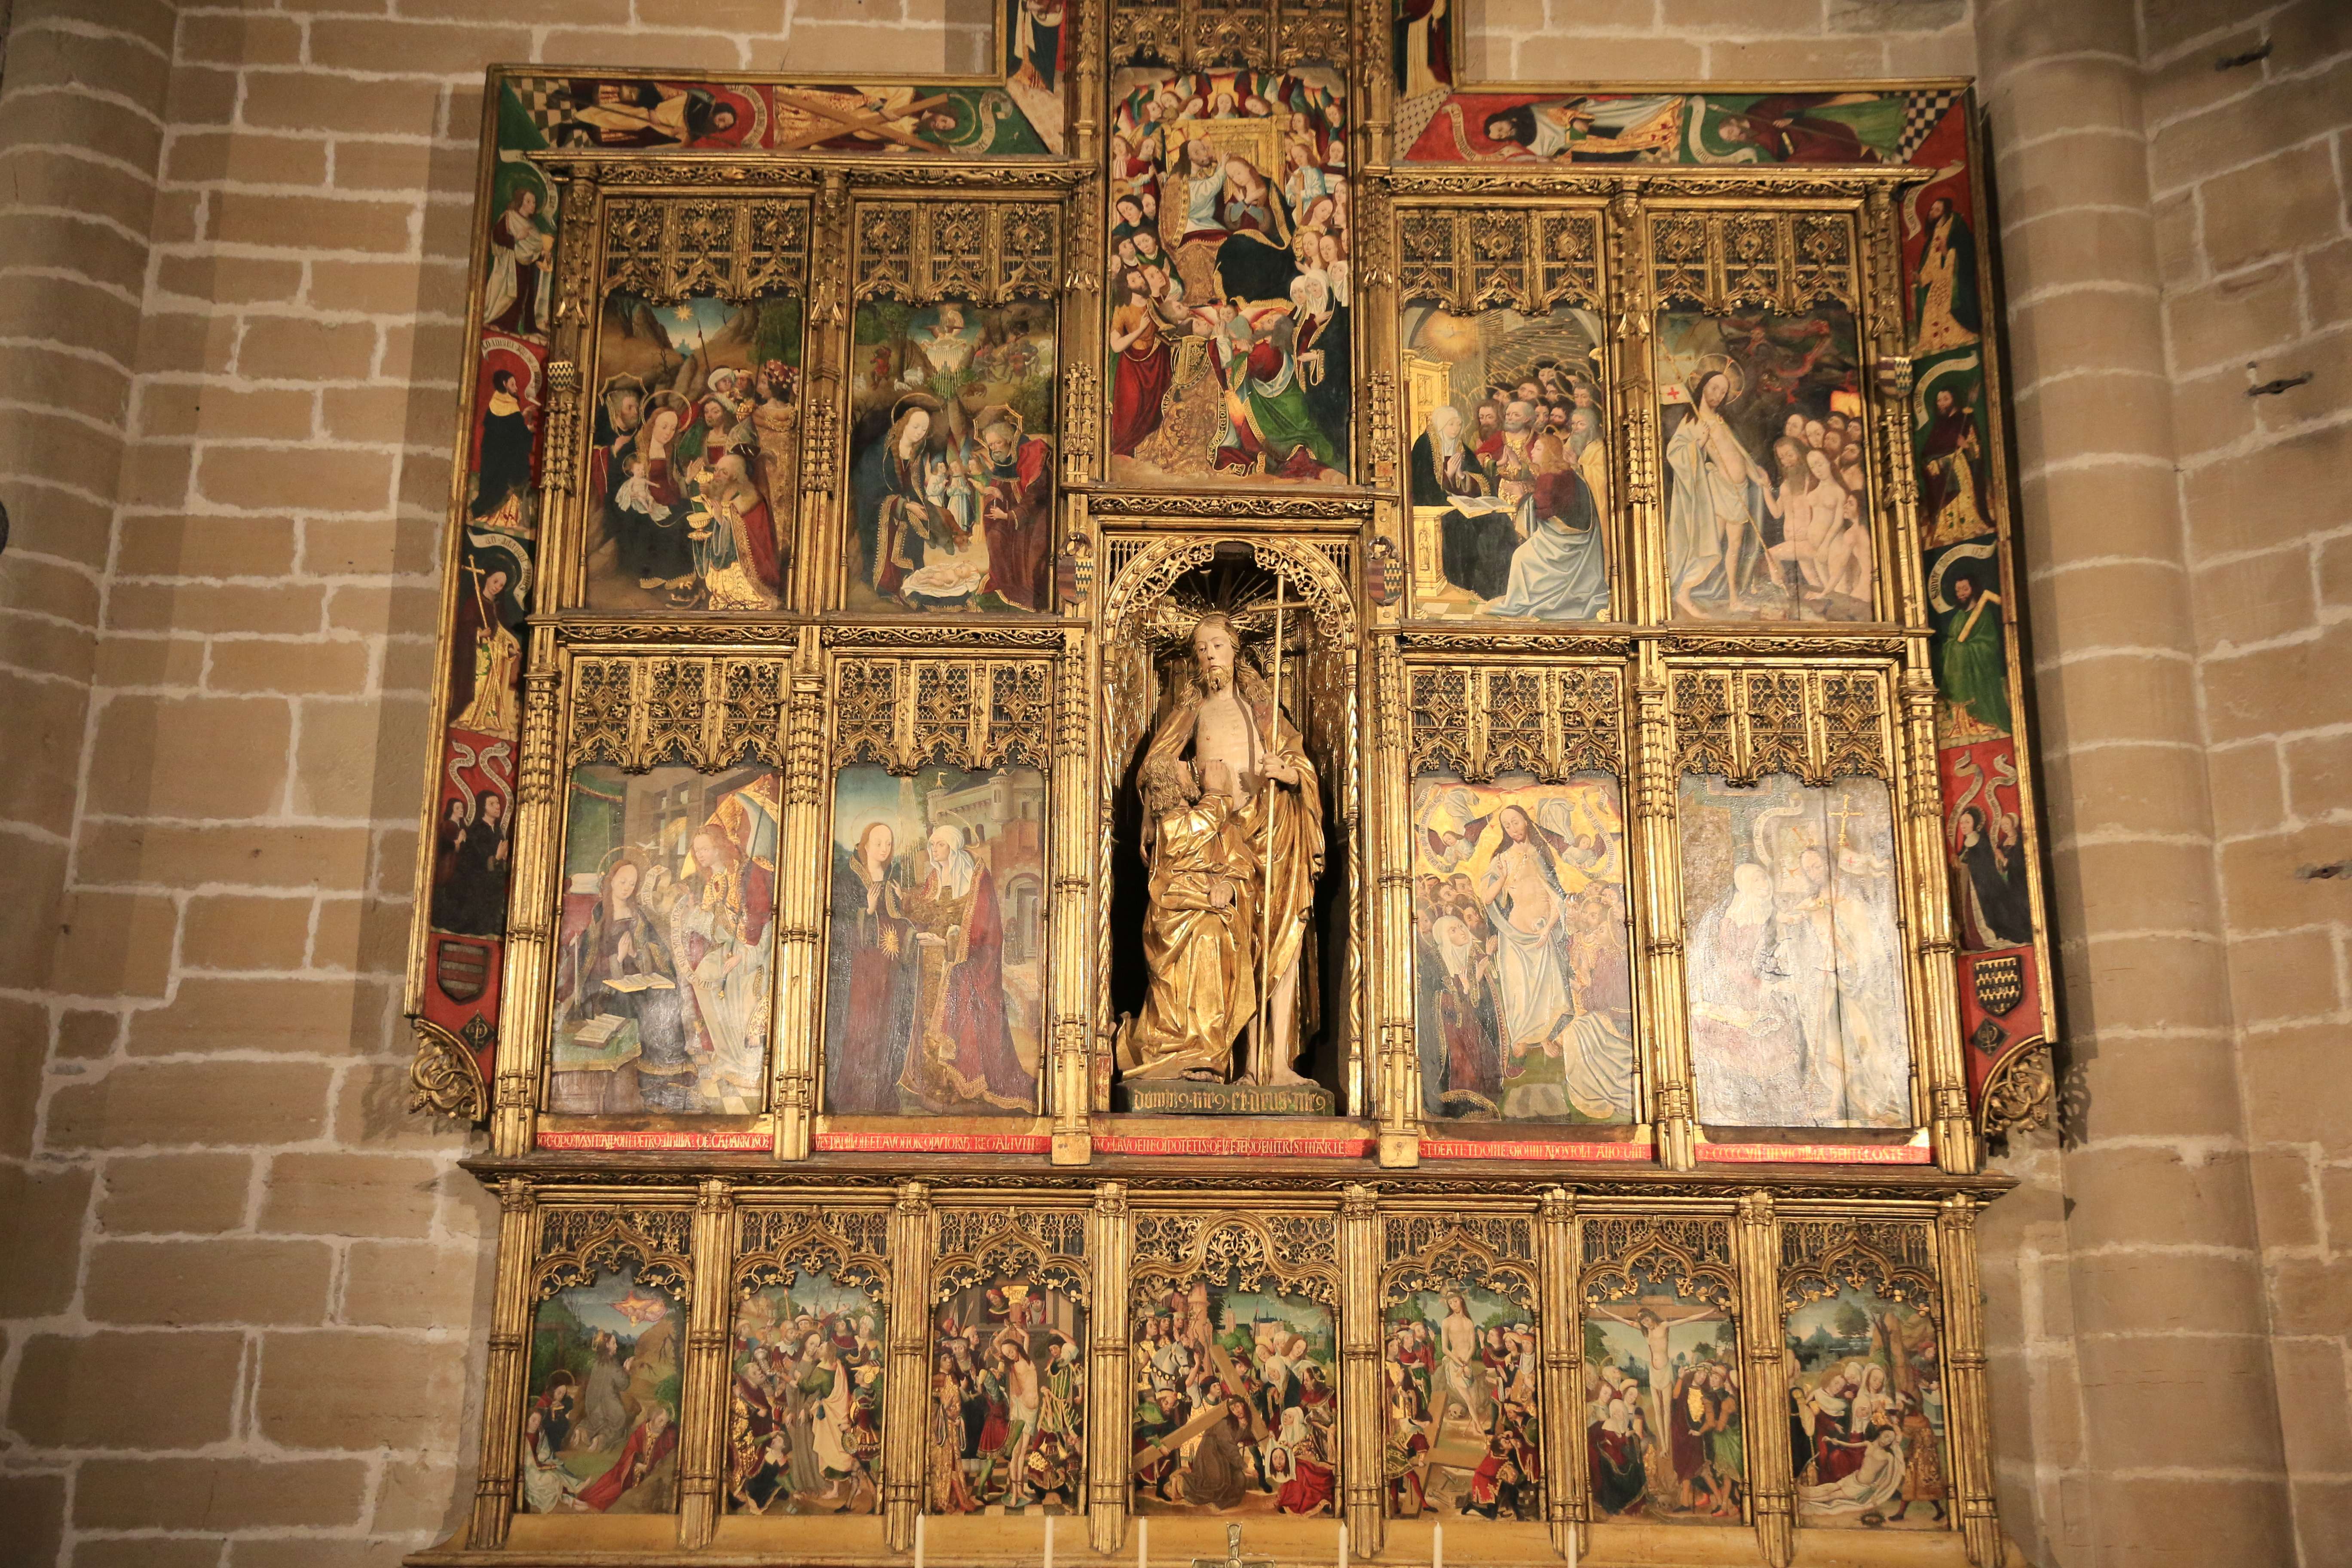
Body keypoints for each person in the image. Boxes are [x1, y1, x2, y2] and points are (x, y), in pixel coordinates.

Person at [1129, 614, 1324, 1085]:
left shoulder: (1262, 707)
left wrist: (1288, 773)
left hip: (1273, 829)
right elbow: (1158, 765)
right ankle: (1240, 1062)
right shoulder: (1191, 710)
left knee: (1280, 937)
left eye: (1217, 645)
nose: (1209, 655)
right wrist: (1158, 808)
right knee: (1237, 945)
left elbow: (1299, 762)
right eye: (1201, 649)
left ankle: (1278, 1065)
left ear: (1236, 650)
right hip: (1216, 841)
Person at [1115, 757, 1258, 1081]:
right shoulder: (1171, 824)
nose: (1191, 766)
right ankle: (1182, 1050)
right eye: (1181, 765)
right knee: (1206, 937)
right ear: (1170, 781)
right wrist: (1218, 792)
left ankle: (1207, 1053)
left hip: (1212, 913)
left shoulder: (1219, 823)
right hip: (1175, 913)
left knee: (1215, 935)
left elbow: (1241, 864)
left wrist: (1228, 885)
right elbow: (1190, 833)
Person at [899, 824, 1034, 1112]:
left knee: (959, 1026)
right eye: (932, 845)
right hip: (931, 965)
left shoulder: (976, 879)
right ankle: (936, 1087)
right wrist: (905, 901)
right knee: (930, 1024)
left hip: (962, 969)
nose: (934, 850)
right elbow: (923, 911)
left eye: (940, 844)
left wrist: (945, 941)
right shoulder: (934, 879)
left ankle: (960, 1090)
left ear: (953, 846)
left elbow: (985, 930)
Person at [826, 821, 919, 1115]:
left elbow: (902, 923)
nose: (884, 849)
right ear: (865, 844)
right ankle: (854, 1094)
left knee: (885, 1028)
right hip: (861, 972)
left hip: (890, 971)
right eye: (878, 843)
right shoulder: (848, 879)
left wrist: (906, 907)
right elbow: (838, 926)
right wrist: (866, 910)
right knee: (861, 1026)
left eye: (889, 844)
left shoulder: (894, 880)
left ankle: (880, 1092)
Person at [1666, 366, 1768, 617]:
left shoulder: (1721, 420)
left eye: (1723, 391)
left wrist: (1756, 476)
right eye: (1714, 388)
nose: (1718, 395)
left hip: (1739, 490)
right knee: (1711, 544)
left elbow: (1739, 453)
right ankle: (1684, 593)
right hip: (1719, 489)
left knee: (1735, 546)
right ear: (1703, 388)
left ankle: (1734, 599)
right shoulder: (1693, 421)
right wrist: (1700, 442)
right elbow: (1675, 453)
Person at [1934, 563, 2011, 733]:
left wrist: (1963, 650)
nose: (1961, 594)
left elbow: (1989, 645)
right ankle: (1962, 722)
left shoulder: (1983, 614)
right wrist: (1953, 648)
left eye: (1965, 589)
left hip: (1979, 671)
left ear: (1973, 589)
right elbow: (1951, 641)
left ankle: (1980, 719)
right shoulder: (1958, 617)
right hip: (1960, 670)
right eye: (1958, 591)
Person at [484, 184, 551, 337]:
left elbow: (531, 252)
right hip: (510, 266)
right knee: (508, 296)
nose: (532, 205)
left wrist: (543, 255)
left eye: (534, 202)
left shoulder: (533, 227)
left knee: (523, 297)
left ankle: (514, 327)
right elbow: (498, 237)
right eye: (529, 201)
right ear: (521, 202)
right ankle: (499, 323)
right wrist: (516, 238)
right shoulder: (510, 217)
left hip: (526, 269)